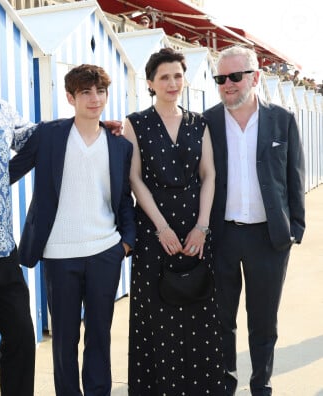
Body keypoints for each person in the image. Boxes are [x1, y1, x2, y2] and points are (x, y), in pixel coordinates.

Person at [9, 64, 136, 396]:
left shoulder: (120, 144)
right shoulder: (49, 135)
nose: (94, 99)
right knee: (64, 341)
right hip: (59, 255)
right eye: (85, 92)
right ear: (70, 97)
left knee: (99, 337)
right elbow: (8, 172)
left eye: (100, 92)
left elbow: (125, 199)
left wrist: (125, 244)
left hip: (105, 253)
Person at [204, 45, 306, 396]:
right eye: (221, 78)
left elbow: (294, 176)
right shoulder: (207, 122)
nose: (228, 85)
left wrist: (295, 228)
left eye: (235, 76)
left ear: (255, 77)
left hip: (269, 238)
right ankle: (224, 384)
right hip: (223, 237)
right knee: (220, 320)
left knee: (263, 322)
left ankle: (261, 384)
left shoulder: (283, 119)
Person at [124, 47, 225, 394]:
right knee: (158, 319)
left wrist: (202, 226)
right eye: (164, 77)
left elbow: (209, 175)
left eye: (177, 76)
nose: (172, 82)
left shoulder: (200, 122)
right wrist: (161, 227)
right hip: (155, 233)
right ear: (150, 82)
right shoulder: (134, 123)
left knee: (199, 314)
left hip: (196, 231)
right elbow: (134, 179)